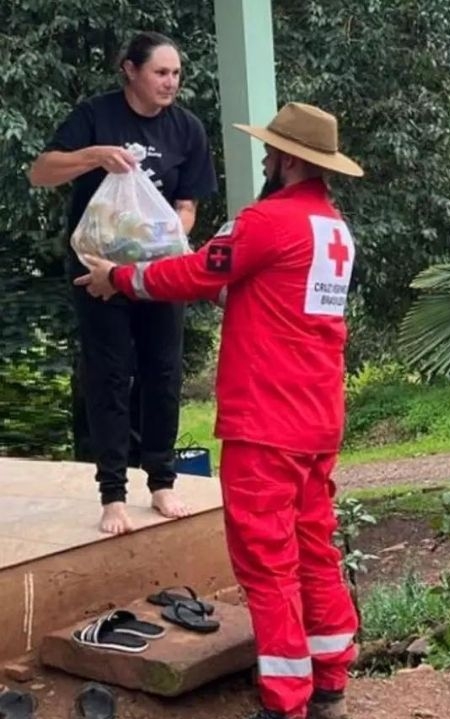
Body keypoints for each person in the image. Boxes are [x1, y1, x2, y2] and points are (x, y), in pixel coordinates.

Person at [76, 101, 362, 719]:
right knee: (314, 547)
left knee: (267, 561)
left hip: (267, 418)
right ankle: (330, 680)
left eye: (268, 152)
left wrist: (120, 279)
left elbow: (199, 274)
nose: (263, 159)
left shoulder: (267, 221)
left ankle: (284, 702)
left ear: (287, 158)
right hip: (317, 415)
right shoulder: (335, 228)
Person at [28, 31, 218, 535]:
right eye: (160, 72)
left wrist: (157, 252)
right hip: (96, 273)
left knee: (163, 373)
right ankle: (112, 493)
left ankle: (161, 480)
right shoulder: (96, 115)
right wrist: (94, 156)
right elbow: (41, 172)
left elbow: (187, 208)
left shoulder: (188, 129)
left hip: (156, 275)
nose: (170, 82)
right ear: (130, 70)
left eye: (176, 74)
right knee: (109, 375)